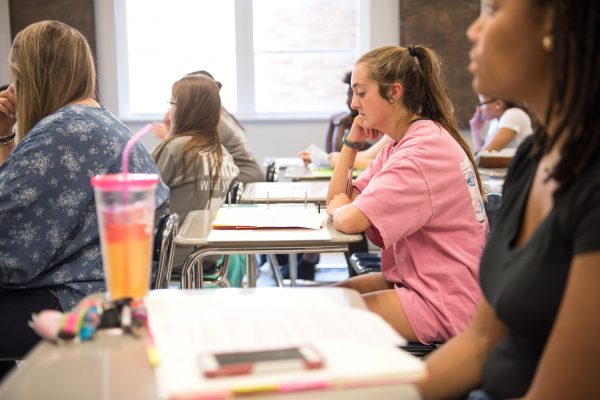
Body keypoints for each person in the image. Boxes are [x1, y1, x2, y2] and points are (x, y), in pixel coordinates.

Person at [418, 1, 600, 399]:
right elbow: (480, 342)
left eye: (493, 10)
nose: (472, 31)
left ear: (555, 22)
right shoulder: (534, 157)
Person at [0, 20, 169, 378]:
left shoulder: (59, 135)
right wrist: (5, 139)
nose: (14, 89)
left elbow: (8, 258)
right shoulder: (99, 124)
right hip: (107, 293)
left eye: (18, 76)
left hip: (79, 302)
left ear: (33, 77)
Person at [327, 45, 488, 344]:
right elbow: (339, 198)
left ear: (395, 92)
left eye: (361, 92)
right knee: (328, 300)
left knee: (329, 318)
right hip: (421, 279)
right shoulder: (404, 141)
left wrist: (342, 207)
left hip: (446, 299)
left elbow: (348, 219)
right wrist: (351, 142)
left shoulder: (421, 152)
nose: (353, 103)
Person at [152, 75, 239, 276]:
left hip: (172, 257)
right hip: (210, 256)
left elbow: (138, 201)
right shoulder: (224, 155)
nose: (167, 113)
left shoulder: (175, 150)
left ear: (184, 110)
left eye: (171, 103)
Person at [152, 70, 263, 184]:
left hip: (244, 179)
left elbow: (181, 154)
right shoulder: (218, 116)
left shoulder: (213, 122)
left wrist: (168, 133)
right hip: (239, 176)